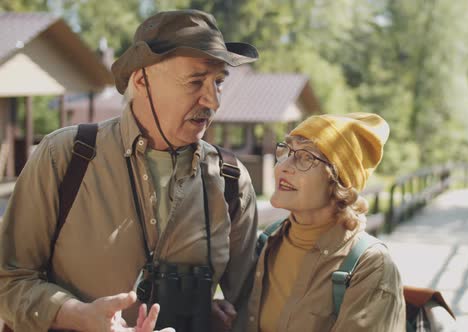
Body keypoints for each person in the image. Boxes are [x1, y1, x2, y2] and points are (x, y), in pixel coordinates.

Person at [0, 9, 258, 331]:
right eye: (195, 81)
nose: (213, 101)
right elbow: (9, 280)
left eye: (218, 82)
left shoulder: (231, 181)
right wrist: (75, 314)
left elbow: (247, 309)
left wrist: (214, 315)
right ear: (142, 80)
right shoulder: (64, 158)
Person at [240, 113, 406, 331]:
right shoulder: (268, 242)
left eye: (306, 157)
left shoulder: (370, 267)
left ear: (339, 182)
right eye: (287, 151)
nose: (284, 166)